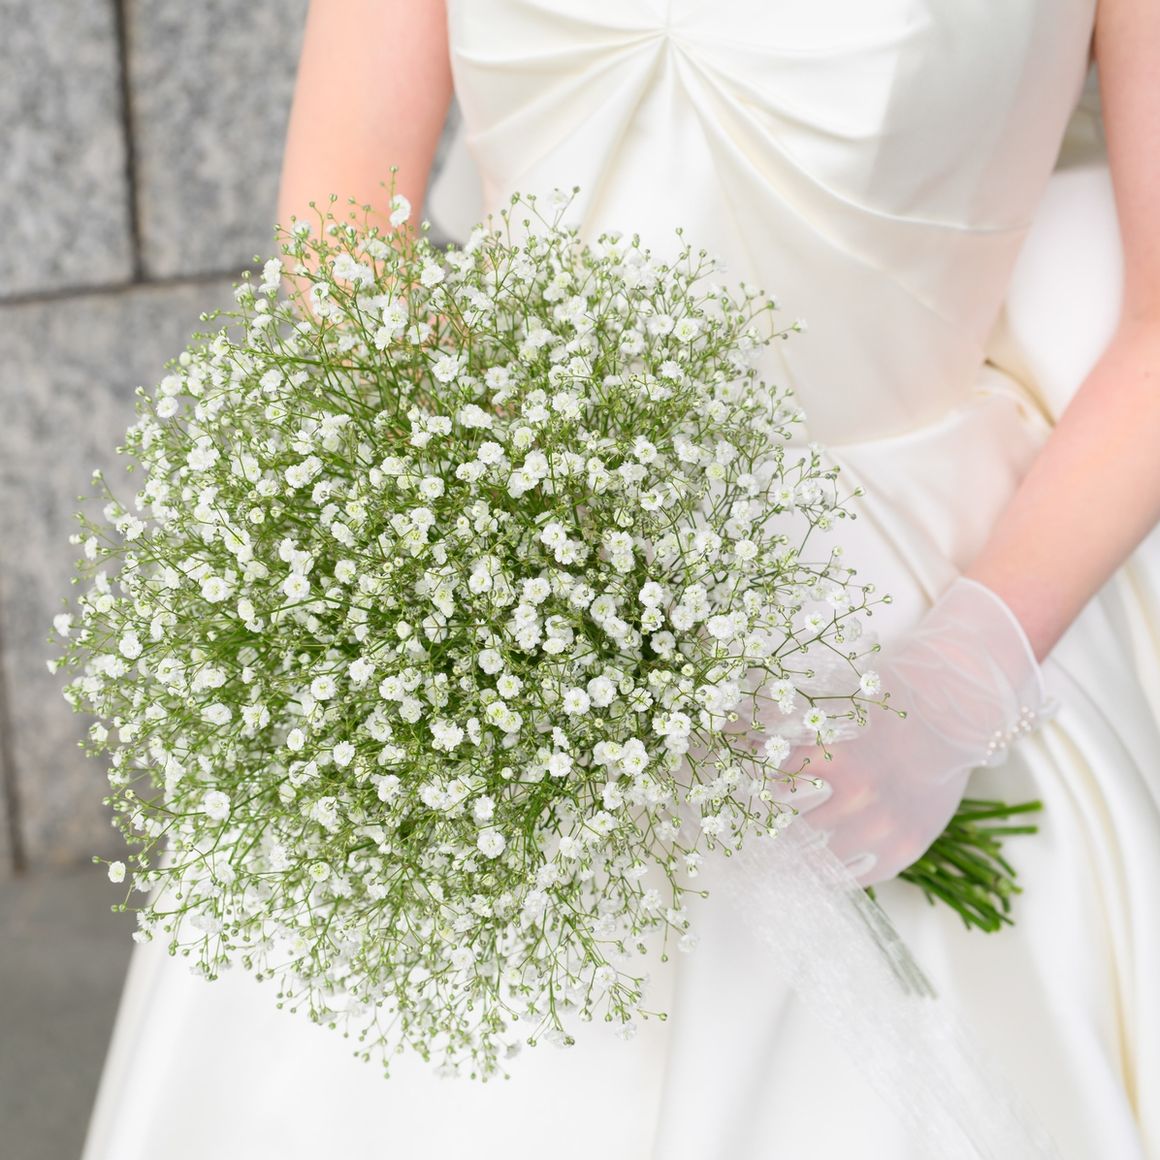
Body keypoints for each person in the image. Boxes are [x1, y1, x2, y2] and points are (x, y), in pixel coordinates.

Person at [80, 1, 1159, 1156]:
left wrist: (953, 685)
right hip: (493, 548)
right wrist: (511, 537)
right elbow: (343, 233)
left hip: (906, 590)